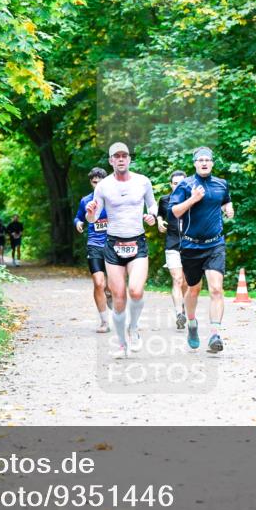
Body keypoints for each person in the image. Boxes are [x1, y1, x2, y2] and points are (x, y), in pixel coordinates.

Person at [85, 142, 156, 359]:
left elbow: (152, 205)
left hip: (137, 242)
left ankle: (133, 328)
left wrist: (152, 216)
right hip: (113, 244)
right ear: (111, 161)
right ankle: (121, 344)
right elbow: (93, 218)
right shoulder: (103, 186)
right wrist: (90, 213)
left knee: (135, 290)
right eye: (117, 156)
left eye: (124, 155)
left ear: (129, 159)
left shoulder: (143, 182)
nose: (121, 159)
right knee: (118, 297)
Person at [170, 147, 234, 353]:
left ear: (213, 163)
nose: (204, 163)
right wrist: (193, 199)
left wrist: (228, 208)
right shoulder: (186, 185)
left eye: (208, 160)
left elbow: (225, 200)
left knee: (216, 289)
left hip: (215, 244)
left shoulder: (221, 184)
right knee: (194, 289)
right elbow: (175, 212)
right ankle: (192, 323)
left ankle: (215, 334)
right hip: (190, 245)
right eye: (200, 160)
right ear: (195, 163)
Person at [75, 167, 111, 333]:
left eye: (100, 182)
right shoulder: (86, 201)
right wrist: (78, 223)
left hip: (113, 244)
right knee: (98, 283)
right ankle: (104, 322)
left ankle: (110, 294)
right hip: (95, 244)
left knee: (112, 285)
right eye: (94, 182)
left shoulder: (113, 198)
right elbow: (78, 216)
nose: (97, 185)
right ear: (91, 182)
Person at [157, 170, 188, 330]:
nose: (178, 186)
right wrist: (159, 221)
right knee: (177, 279)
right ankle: (178, 314)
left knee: (187, 282)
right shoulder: (164, 200)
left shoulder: (193, 199)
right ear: (171, 184)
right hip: (173, 244)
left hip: (191, 245)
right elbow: (159, 214)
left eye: (181, 183)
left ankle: (183, 307)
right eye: (175, 183)